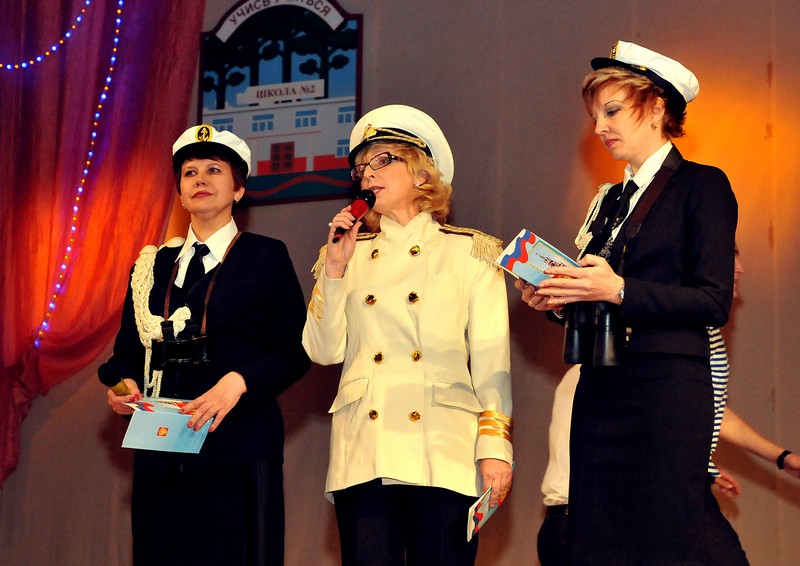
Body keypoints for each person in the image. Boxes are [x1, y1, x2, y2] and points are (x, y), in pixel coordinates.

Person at [517, 40, 738, 564]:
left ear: (657, 108)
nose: (599, 127)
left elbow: (712, 301)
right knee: (598, 539)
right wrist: (556, 300)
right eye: (595, 116)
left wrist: (616, 288)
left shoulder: (702, 185)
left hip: (665, 391)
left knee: (663, 539)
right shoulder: (608, 200)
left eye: (612, 111)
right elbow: (597, 295)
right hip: (599, 387)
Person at [302, 104, 513, 565]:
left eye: (383, 160)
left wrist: (496, 449)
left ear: (421, 174)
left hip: (444, 446)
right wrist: (334, 269)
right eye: (361, 167)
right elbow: (322, 351)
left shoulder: (472, 253)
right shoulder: (347, 255)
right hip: (364, 447)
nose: (368, 173)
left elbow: (492, 364)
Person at [98, 124, 310, 565]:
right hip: (161, 450)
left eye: (214, 170)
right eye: (189, 172)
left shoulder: (265, 256)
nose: (200, 179)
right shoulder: (152, 266)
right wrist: (123, 389)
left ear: (239, 189)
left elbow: (295, 349)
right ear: (179, 193)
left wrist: (240, 381)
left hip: (239, 444)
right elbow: (125, 355)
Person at [536, 248, 799, 565]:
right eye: (729, 255)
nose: (740, 268)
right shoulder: (632, 346)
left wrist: (780, 457)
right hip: (591, 515)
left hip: (666, 487)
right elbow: (651, 416)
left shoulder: (698, 336)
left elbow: (707, 409)